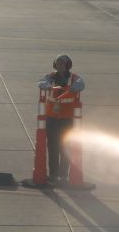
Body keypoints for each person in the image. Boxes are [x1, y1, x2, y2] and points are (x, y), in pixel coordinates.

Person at [38, 54, 85, 183]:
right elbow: (41, 82)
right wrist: (47, 85)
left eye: (62, 64)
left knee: (66, 147)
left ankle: (63, 175)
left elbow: (81, 84)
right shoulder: (50, 77)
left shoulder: (74, 78)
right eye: (57, 64)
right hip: (52, 118)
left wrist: (74, 87)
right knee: (52, 146)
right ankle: (53, 174)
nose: (59, 66)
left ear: (67, 65)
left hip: (67, 119)